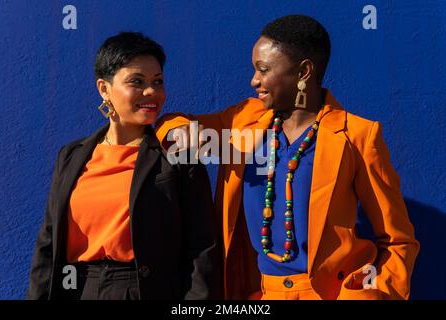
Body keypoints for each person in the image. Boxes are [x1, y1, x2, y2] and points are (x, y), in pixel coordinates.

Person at [155, 15, 420, 300]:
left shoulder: (357, 135)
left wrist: (369, 295)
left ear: (304, 71)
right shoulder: (243, 120)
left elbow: (398, 241)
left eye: (264, 69)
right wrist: (181, 131)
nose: (254, 80)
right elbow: (170, 124)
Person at [27, 32, 220, 300]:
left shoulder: (177, 154)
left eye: (158, 81)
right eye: (136, 82)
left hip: (143, 290)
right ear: (104, 89)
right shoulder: (72, 155)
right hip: (78, 289)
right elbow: (48, 244)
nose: (151, 91)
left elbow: (202, 248)